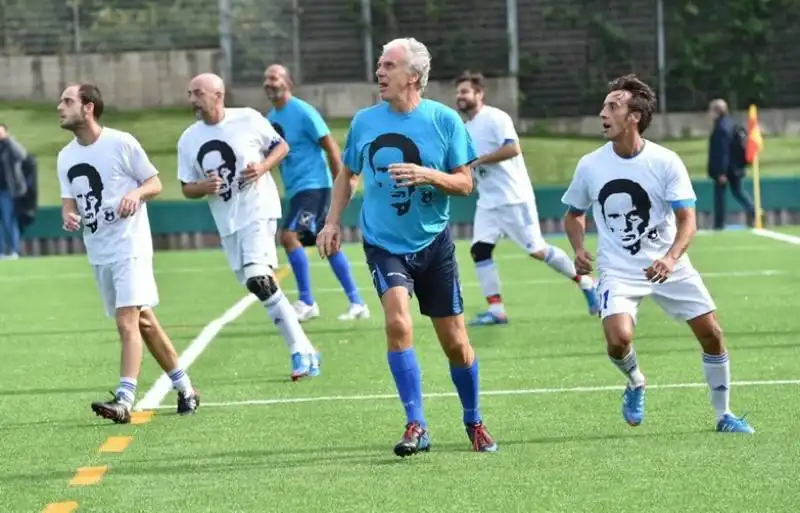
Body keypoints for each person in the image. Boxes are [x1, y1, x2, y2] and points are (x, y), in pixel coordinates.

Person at [317, 38, 498, 456]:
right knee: (398, 322)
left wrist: (427, 174)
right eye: (379, 65)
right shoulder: (364, 121)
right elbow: (348, 175)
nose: (379, 72)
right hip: (383, 243)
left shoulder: (444, 121)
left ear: (413, 76)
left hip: (434, 244)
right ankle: (416, 423)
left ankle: (473, 420)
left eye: (389, 65)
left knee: (456, 343)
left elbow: (466, 184)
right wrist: (331, 221)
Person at [560, 74, 754, 434]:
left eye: (612, 106)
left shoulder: (665, 162)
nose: (603, 112)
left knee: (711, 332)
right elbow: (573, 214)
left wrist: (670, 258)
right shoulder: (590, 165)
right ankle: (635, 380)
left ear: (633, 116)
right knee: (618, 340)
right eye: (604, 105)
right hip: (617, 269)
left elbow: (688, 221)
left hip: (668, 265)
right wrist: (578, 248)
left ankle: (723, 414)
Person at [56, 83, 199, 424]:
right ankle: (186, 389)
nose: (59, 107)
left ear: (88, 107)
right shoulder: (65, 156)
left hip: (130, 246)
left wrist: (136, 194)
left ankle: (125, 397)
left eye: (67, 101)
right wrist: (69, 216)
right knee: (144, 322)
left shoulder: (121, 142)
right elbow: (68, 202)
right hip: (99, 251)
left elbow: (155, 183)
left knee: (126, 320)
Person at [176, 73, 321, 381]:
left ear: (218, 94)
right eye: (190, 94)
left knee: (259, 280)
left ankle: (298, 351)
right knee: (260, 288)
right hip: (228, 223)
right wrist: (204, 186)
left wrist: (263, 167)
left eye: (198, 93)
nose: (192, 100)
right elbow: (186, 187)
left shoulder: (248, 118)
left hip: (259, 210)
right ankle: (307, 349)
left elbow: (281, 147)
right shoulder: (188, 138)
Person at [454, 71, 600, 325]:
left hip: (513, 198)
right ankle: (496, 310)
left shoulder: (496, 117)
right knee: (480, 250)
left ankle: (586, 282)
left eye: (465, 91)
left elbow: (513, 148)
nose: (460, 97)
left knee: (537, 249)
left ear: (479, 94)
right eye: (458, 93)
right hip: (488, 202)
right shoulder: (466, 128)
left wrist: (480, 160)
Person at [263, 64, 369, 322]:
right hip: (297, 189)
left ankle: (307, 301)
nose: (269, 82)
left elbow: (330, 145)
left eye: (274, 77)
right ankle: (357, 302)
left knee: (289, 236)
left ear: (287, 81)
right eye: (266, 79)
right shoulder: (269, 119)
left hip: (315, 186)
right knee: (328, 243)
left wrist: (342, 181)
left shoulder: (302, 111)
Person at [707, 99, 755, 229]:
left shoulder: (721, 128)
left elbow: (722, 152)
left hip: (725, 169)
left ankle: (719, 224)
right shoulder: (730, 124)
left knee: (720, 197)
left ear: (717, 111)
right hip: (735, 167)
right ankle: (754, 212)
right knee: (738, 192)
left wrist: (721, 172)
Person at [0, 123, 27, 260]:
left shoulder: (10, 146)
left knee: (8, 220)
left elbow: (22, 155)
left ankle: (13, 250)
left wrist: (8, 140)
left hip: (7, 190)